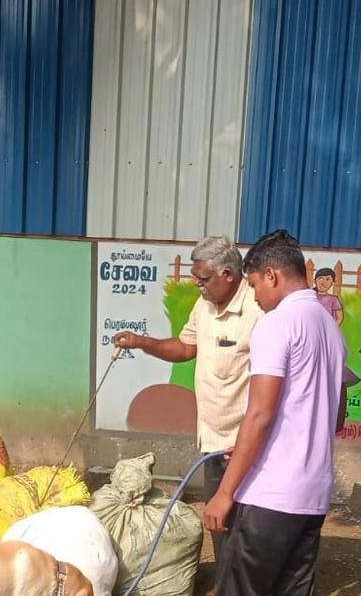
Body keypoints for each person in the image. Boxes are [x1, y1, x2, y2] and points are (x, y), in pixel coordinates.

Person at [202, 230, 347, 596]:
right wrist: (250, 446)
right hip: (312, 497)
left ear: (271, 275)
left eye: (254, 285)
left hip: (270, 496)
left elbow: (260, 415)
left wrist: (224, 491)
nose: (255, 297)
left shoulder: (277, 323)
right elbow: (336, 416)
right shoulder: (330, 327)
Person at [113, 236, 262, 561]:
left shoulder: (257, 309)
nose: (197, 284)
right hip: (213, 439)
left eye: (203, 278)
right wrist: (141, 342)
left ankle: (245, 580)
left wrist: (249, 439)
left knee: (250, 525)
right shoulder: (204, 305)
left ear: (227, 275)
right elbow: (185, 348)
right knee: (219, 521)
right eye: (196, 278)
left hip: (247, 443)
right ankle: (226, 578)